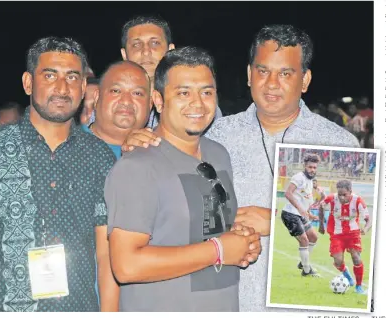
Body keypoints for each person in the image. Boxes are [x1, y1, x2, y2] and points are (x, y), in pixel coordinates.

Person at [122, 24, 360, 311]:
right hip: (227, 303)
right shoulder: (213, 137)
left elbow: (349, 231)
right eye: (262, 71)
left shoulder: (338, 144)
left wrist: (276, 221)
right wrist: (144, 138)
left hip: (308, 305)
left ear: (305, 80)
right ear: (249, 75)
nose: (272, 83)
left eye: (285, 73)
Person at [0, 37, 118, 312]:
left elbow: (106, 254)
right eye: (50, 75)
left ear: (84, 87)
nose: (62, 87)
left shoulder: (100, 157)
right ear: (28, 82)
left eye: (72, 77)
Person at [105, 47, 261, 311]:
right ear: (158, 99)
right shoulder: (138, 166)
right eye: (183, 93)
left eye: (207, 92)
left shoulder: (218, 154)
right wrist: (219, 250)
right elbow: (126, 266)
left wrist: (243, 242)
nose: (198, 104)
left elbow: (208, 231)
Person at [120, 15, 222, 128]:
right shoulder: (110, 103)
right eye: (136, 45)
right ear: (124, 54)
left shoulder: (199, 107)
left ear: (170, 50)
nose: (146, 51)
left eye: (155, 43)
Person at [82, 61, 152, 159]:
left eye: (137, 93)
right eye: (116, 91)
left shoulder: (161, 153)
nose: (126, 101)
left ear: (150, 104)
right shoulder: (68, 147)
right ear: (97, 98)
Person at [319, 179, 371, 294]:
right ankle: (347, 275)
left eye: (344, 195)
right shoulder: (332, 198)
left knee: (356, 258)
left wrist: (366, 229)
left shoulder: (358, 201)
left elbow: (368, 220)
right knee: (338, 261)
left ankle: (359, 287)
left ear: (350, 191)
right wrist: (321, 224)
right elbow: (321, 206)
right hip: (337, 234)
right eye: (340, 194)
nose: (342, 197)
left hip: (353, 234)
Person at [282, 154, 320, 276]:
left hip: (300, 215)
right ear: (305, 166)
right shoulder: (299, 177)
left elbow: (303, 200)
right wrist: (301, 209)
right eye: (310, 167)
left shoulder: (310, 181)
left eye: (314, 167)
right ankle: (307, 270)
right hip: (290, 214)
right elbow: (288, 194)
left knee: (313, 237)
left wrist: (308, 214)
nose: (312, 170)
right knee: (304, 240)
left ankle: (302, 262)